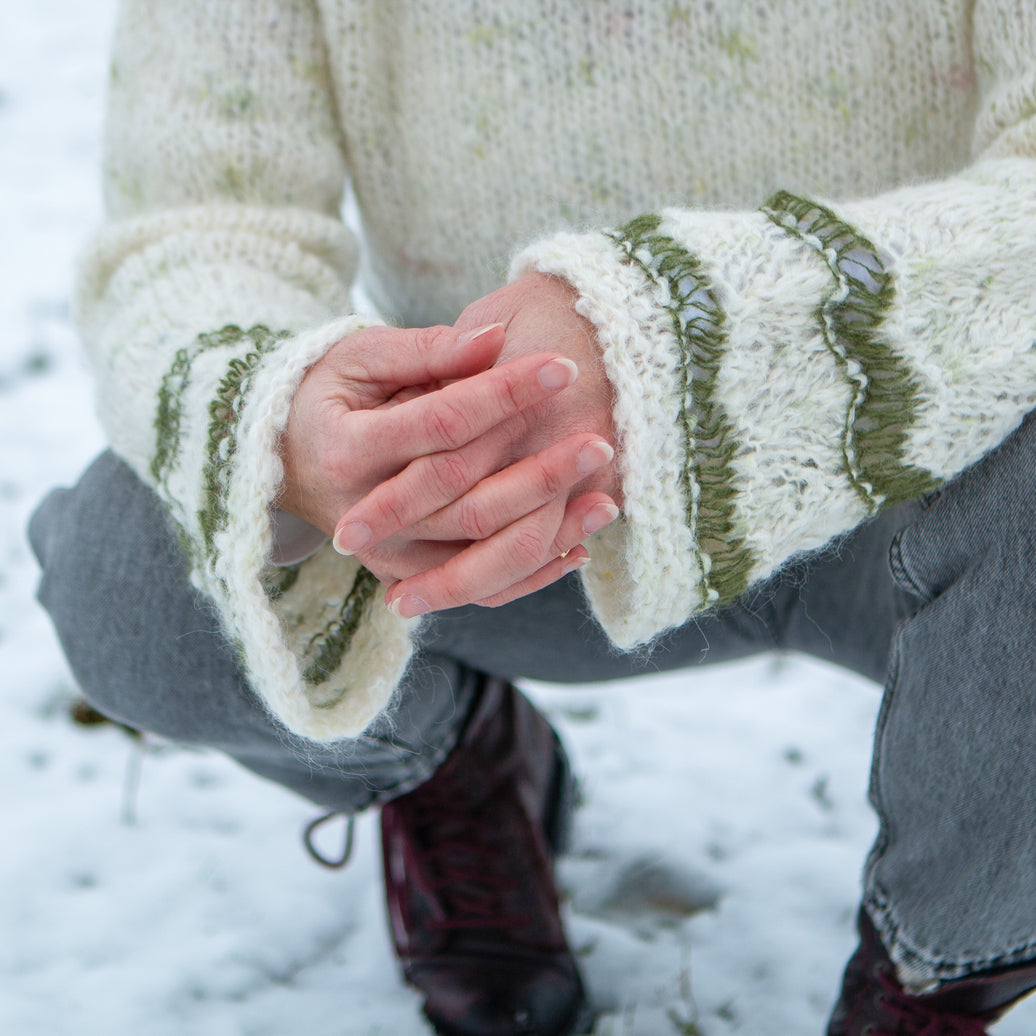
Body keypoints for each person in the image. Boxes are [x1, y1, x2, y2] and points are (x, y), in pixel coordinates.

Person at [28, 1, 1036, 1033]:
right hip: (502, 515)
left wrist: (675, 336)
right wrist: (293, 425)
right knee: (135, 566)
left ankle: (937, 968)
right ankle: (464, 766)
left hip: (941, 506)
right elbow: (193, 224)